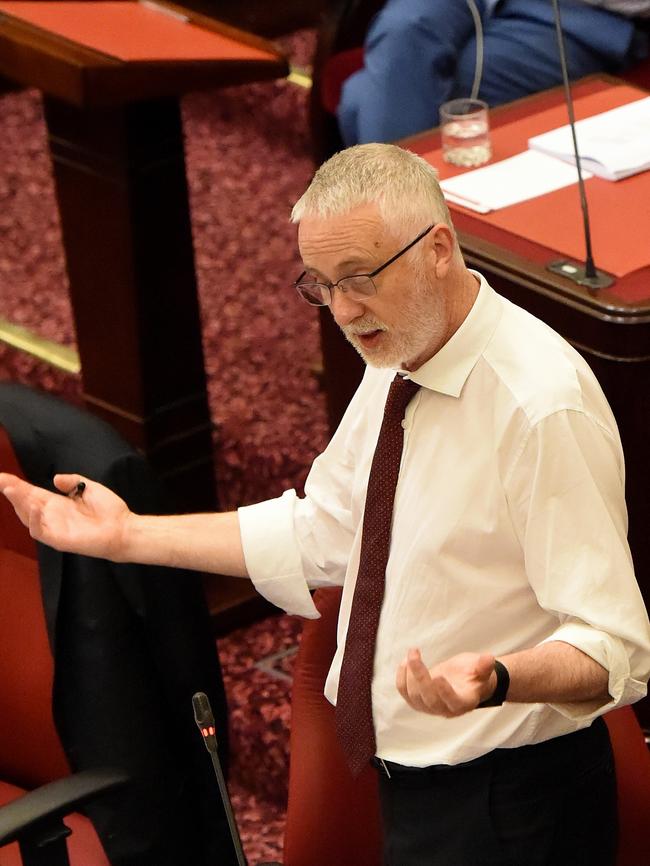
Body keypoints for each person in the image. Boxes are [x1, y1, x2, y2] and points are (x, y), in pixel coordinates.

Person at [2, 143, 650, 866]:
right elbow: (325, 529)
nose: (342, 310)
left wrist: (498, 678)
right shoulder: (399, 353)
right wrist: (128, 537)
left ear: (438, 248)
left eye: (361, 279)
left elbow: (615, 646)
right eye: (320, 284)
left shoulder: (540, 408)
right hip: (407, 776)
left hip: (511, 803)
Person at [337, 0, 650, 145]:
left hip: (579, 14)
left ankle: (400, 245)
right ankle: (400, 247)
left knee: (363, 98)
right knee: (402, 30)